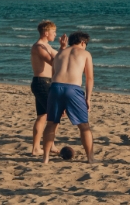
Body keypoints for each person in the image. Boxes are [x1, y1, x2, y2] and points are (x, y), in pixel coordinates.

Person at [41, 32, 95, 163]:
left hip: (55, 88)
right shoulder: (85, 54)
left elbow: (53, 74)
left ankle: (46, 158)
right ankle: (90, 158)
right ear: (83, 43)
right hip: (73, 89)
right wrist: (88, 98)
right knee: (84, 126)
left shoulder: (60, 53)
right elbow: (89, 78)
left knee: (51, 124)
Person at [30, 20, 64, 156]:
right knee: (53, 115)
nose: (55, 34)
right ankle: (42, 147)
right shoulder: (39, 47)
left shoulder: (47, 46)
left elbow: (61, 57)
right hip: (42, 83)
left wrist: (64, 48)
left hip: (46, 83)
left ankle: (39, 147)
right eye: (53, 32)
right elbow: (53, 62)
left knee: (42, 116)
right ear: (46, 32)